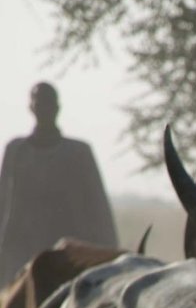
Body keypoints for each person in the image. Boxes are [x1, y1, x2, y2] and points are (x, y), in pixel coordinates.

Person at [0, 82, 117, 284]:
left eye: (48, 104)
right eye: (39, 104)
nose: (43, 110)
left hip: (67, 255)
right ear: (31, 108)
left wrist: (110, 255)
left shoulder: (78, 154)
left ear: (57, 108)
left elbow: (98, 208)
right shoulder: (17, 152)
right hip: (21, 254)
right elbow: (3, 203)